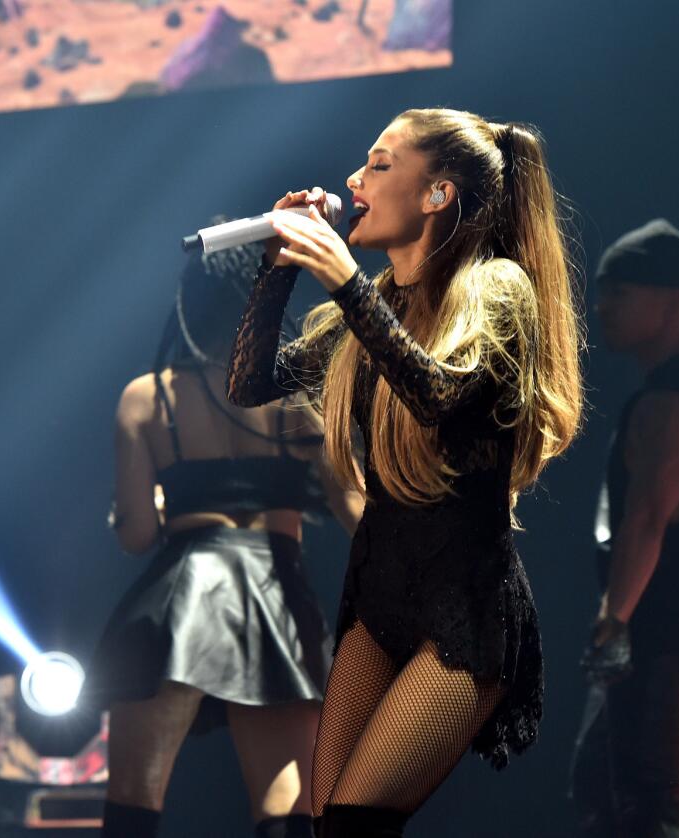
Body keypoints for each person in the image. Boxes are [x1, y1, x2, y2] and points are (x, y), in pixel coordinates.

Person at [227, 107, 584, 836]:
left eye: (380, 165)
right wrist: (276, 271)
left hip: (465, 602)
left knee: (358, 818)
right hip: (380, 589)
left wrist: (343, 279)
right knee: (328, 820)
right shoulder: (374, 307)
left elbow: (439, 398)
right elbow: (250, 385)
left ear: (437, 194)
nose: (354, 181)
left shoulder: (497, 289)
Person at [85, 233, 362, 838]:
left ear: (194, 301)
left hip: (180, 598)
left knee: (134, 796)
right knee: (287, 803)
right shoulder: (302, 398)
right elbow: (357, 514)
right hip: (278, 594)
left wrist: (140, 509)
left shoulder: (148, 398)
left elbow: (136, 535)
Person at [571, 219, 679, 837]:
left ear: (675, 301)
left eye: (621, 291)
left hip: (659, 636)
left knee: (650, 802)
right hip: (665, 636)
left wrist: (614, 622)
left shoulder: (676, 400)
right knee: (612, 791)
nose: (603, 306)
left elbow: (646, 519)